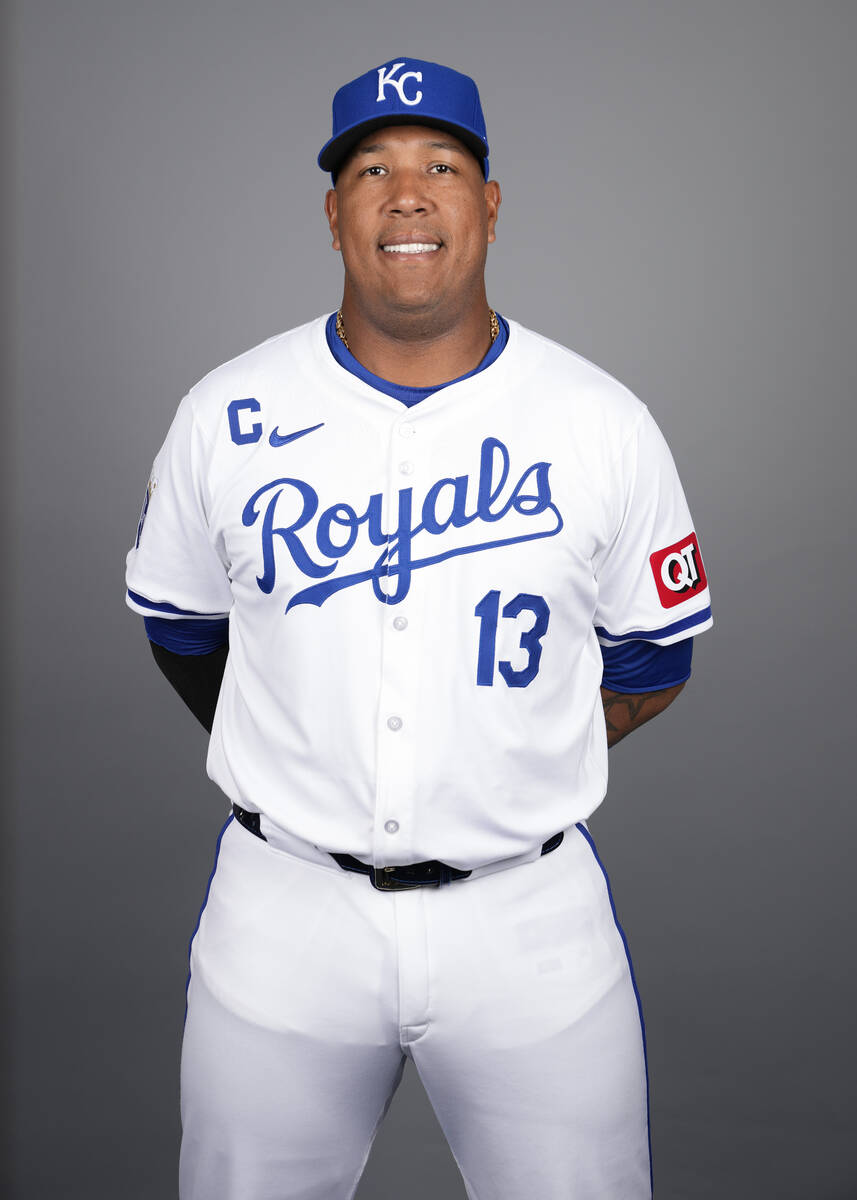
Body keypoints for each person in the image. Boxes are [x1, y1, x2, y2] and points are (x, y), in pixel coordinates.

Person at [126, 56, 712, 1200]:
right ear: (334, 210)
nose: (407, 194)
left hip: (528, 919)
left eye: (442, 165)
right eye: (372, 168)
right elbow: (183, 629)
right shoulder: (225, 414)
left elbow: (654, 656)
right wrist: (301, 737)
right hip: (284, 913)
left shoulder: (599, 420)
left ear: (488, 205)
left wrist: (510, 759)